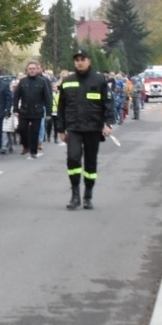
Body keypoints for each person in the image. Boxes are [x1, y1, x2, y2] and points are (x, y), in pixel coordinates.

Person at [55, 49, 112, 210]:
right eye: (77, 59)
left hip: (93, 127)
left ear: (89, 61)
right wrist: (60, 129)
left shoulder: (99, 80)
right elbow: (61, 107)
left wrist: (108, 124)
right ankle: (75, 195)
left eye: (82, 59)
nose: (79, 62)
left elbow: (108, 104)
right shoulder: (67, 81)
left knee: (90, 163)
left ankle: (88, 195)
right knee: (73, 159)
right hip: (73, 128)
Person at [13, 60, 51, 159]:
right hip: (24, 110)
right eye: (30, 69)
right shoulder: (22, 81)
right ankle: (26, 146)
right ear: (27, 70)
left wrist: (49, 113)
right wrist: (15, 109)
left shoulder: (42, 81)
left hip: (37, 110)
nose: (32, 70)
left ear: (37, 69)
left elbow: (47, 97)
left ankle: (33, 151)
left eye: (34, 68)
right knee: (22, 129)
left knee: (35, 132)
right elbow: (16, 96)